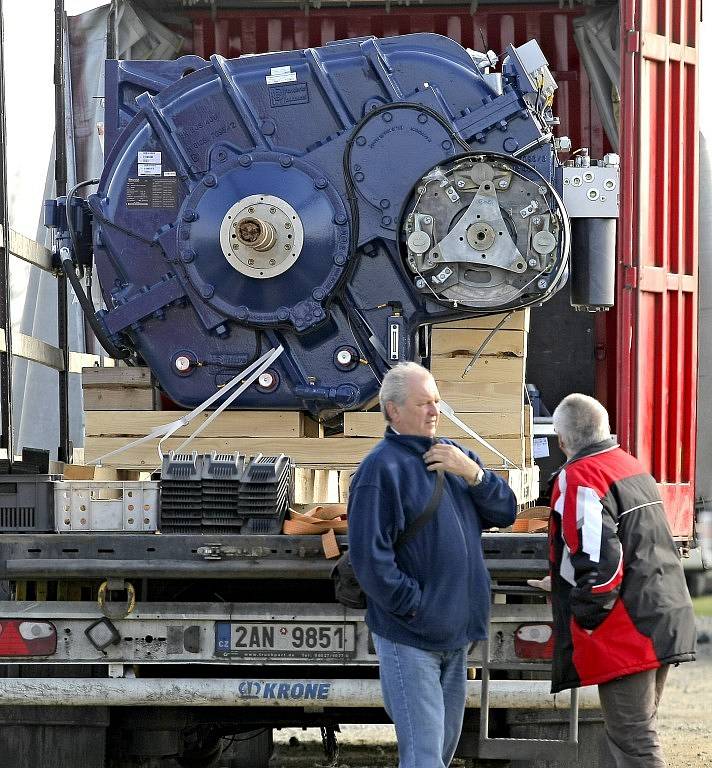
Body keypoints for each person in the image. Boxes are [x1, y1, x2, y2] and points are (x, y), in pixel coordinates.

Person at [347, 362, 516, 768]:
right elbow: (370, 560)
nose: (434, 411)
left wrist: (474, 473)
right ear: (393, 411)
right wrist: (415, 606)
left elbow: (506, 511)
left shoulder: (456, 458)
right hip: (411, 636)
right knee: (425, 758)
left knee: (439, 752)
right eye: (423, 403)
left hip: (456, 635)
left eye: (437, 402)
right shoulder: (379, 469)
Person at [538, 393, 696, 768]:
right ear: (605, 429)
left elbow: (600, 564)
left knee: (634, 743)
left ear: (561, 441)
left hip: (630, 627)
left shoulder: (579, 478)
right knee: (628, 739)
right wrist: (563, 582)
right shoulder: (628, 465)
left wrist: (584, 613)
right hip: (663, 612)